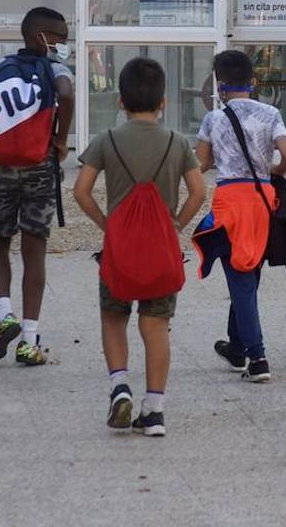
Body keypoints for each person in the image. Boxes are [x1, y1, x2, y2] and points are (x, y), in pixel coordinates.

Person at [73, 57, 206, 437]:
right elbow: (199, 192)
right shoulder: (177, 142)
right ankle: (155, 410)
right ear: (163, 102)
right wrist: (176, 223)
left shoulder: (105, 141)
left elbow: (80, 192)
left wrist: (107, 223)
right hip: (161, 251)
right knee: (156, 325)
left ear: (120, 101)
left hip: (119, 251)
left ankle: (119, 387)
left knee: (114, 317)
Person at [0, 6, 73, 366]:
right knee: (34, 251)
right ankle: (29, 340)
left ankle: (3, 313)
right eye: (59, 38)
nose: (62, 45)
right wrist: (60, 139)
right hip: (40, 167)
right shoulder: (56, 69)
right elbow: (66, 96)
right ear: (41, 36)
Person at [195, 50, 286, 383]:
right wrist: (273, 171)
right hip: (262, 200)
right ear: (252, 82)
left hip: (229, 200)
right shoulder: (270, 113)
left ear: (219, 84)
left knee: (239, 278)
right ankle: (237, 346)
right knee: (248, 273)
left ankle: (257, 357)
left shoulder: (213, 119)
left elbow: (203, 163)